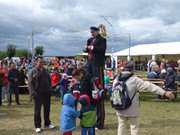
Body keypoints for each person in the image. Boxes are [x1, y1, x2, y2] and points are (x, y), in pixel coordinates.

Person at [112, 62, 175, 135]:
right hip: (132, 108)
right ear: (133, 69)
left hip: (119, 106)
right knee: (134, 127)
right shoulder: (134, 80)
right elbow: (150, 87)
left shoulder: (117, 79)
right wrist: (164, 92)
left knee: (121, 126)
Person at [84, 26, 107, 129]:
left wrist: (93, 48)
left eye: (93, 32)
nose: (91, 33)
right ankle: (91, 120)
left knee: (99, 93)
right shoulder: (89, 40)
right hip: (89, 66)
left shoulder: (102, 40)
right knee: (90, 94)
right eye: (91, 32)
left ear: (97, 32)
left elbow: (102, 50)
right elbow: (86, 49)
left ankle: (100, 123)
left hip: (97, 66)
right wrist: (87, 48)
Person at [28, 57, 55, 133]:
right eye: (40, 62)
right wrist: (33, 93)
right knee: (37, 111)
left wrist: (50, 89)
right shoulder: (32, 71)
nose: (41, 63)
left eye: (42, 62)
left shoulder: (46, 71)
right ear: (36, 62)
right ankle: (37, 126)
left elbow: (49, 81)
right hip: (37, 94)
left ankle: (47, 123)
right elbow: (30, 84)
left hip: (46, 93)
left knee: (47, 110)